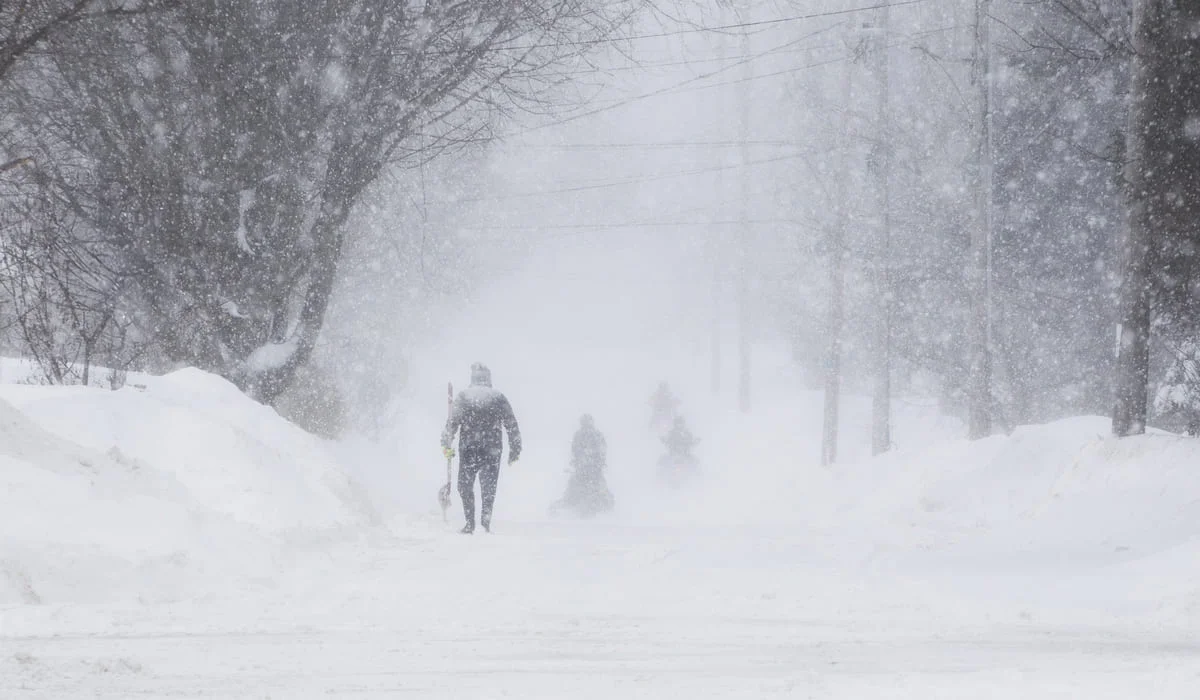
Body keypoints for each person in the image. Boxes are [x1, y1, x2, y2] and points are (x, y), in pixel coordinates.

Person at [441, 363, 521, 533]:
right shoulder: (498, 397)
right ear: (488, 378)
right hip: (492, 449)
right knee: (488, 487)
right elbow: (511, 424)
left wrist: (446, 443)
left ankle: (470, 523)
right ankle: (485, 522)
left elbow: (452, 423)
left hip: (469, 448)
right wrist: (515, 448)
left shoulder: (464, 397)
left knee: (464, 486)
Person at [555, 414, 614, 517]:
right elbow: (576, 450)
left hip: (591, 469)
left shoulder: (592, 435)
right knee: (575, 485)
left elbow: (601, 450)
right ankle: (573, 501)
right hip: (586, 469)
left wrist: (596, 461)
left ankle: (602, 503)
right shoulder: (583, 435)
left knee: (599, 487)